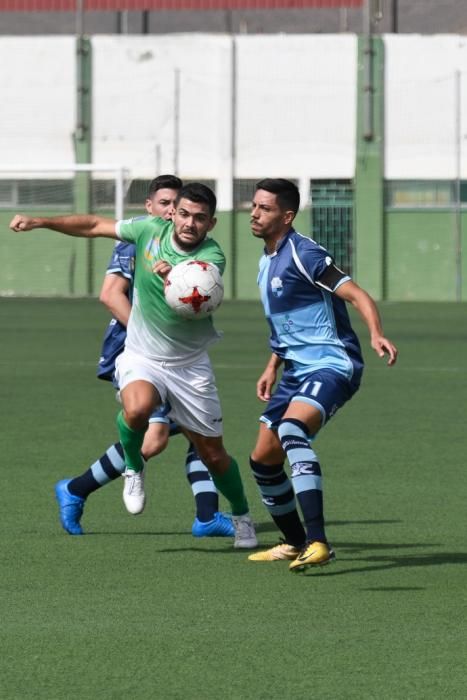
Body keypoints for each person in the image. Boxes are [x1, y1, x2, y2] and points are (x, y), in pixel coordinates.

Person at [10, 182, 258, 549]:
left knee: (213, 454)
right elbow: (94, 225)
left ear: (212, 223)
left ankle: (241, 516)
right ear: (172, 213)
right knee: (138, 410)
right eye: (184, 214)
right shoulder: (146, 230)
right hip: (142, 354)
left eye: (200, 218)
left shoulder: (212, 258)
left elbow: (193, 287)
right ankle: (133, 467)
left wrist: (170, 275)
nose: (190, 223)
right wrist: (41, 221)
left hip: (189, 366)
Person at [53, 175, 234, 538]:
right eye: (165, 204)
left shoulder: (191, 247)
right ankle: (76, 489)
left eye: (176, 205)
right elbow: (110, 294)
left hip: (176, 351)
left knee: (201, 431)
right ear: (149, 207)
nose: (173, 213)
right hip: (139, 349)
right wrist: (147, 325)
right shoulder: (135, 242)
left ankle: (207, 514)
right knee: (155, 438)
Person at [245, 178, 398, 571]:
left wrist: (376, 333)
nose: (255, 212)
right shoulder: (266, 260)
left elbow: (357, 294)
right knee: (263, 459)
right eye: (254, 205)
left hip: (333, 363)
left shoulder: (305, 254)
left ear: (287, 215)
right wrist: (271, 365)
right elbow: (286, 324)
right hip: (296, 370)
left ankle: (319, 542)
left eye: (265, 208)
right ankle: (295, 542)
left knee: (292, 430)